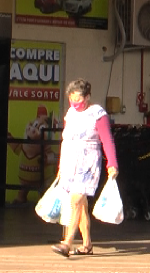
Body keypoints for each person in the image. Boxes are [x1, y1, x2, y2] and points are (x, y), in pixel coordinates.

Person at [51, 79, 119, 257]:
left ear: (87, 97)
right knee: (81, 206)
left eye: (78, 96)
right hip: (70, 164)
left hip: (88, 165)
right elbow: (65, 140)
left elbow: (107, 139)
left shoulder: (98, 114)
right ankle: (87, 245)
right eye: (71, 96)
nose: (74, 100)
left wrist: (112, 163)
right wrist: (60, 165)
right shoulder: (70, 114)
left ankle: (67, 243)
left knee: (75, 200)